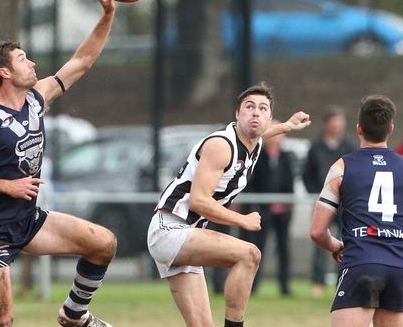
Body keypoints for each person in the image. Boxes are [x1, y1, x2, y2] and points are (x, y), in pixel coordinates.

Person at [0, 0, 116, 327]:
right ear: (5, 72)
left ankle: (73, 314)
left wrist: (108, 13)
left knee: (104, 243)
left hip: (28, 219)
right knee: (3, 321)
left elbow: (82, 61)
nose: (32, 64)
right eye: (23, 59)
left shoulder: (38, 98)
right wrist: (7, 186)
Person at [146, 82, 311, 327]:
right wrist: (242, 219)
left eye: (263, 108)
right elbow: (199, 201)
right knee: (249, 254)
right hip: (170, 229)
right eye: (249, 107)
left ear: (269, 117)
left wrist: (286, 126)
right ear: (237, 114)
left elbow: (261, 133)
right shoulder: (221, 145)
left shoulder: (252, 144)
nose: (256, 112)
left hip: (187, 234)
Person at [309, 94, 403, 327]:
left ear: (359, 129)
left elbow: (317, 231)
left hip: (361, 262)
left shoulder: (341, 167)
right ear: (390, 129)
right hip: (399, 267)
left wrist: (336, 246)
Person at [303, 105, 356, 296]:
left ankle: (342, 280)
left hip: (344, 205)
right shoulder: (316, 147)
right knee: (320, 240)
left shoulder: (349, 147)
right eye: (334, 123)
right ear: (327, 124)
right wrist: (317, 194)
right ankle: (317, 282)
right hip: (323, 203)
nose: (337, 127)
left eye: (340, 123)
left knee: (346, 242)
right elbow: (306, 174)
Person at [242, 122, 295, 295]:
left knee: (284, 249)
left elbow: (290, 182)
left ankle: (285, 286)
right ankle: (253, 286)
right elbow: (251, 183)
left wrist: (287, 204)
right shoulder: (258, 157)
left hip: (282, 211)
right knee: (259, 248)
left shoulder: (286, 157)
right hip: (263, 210)